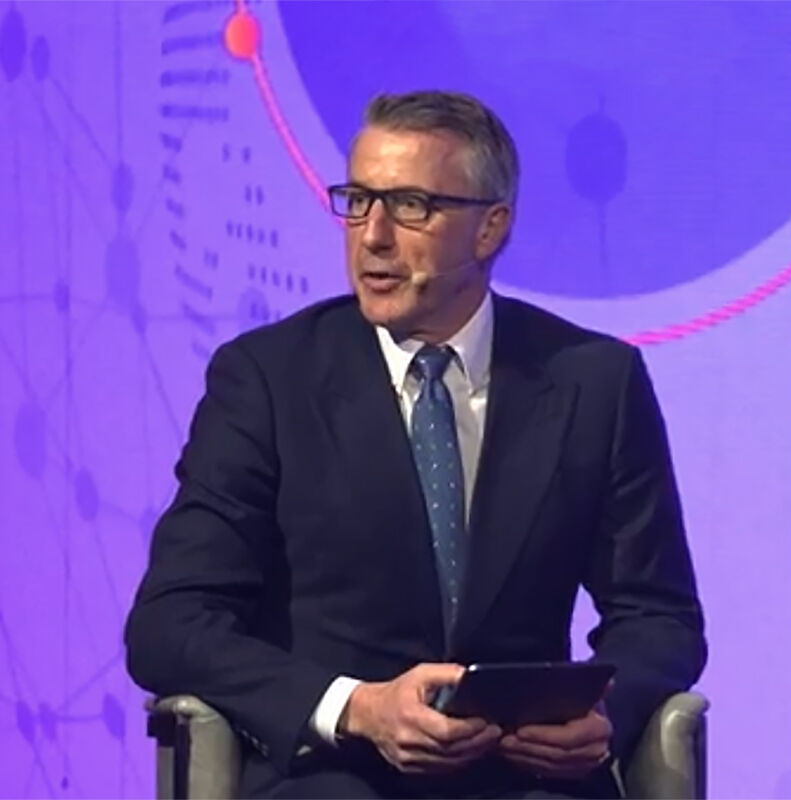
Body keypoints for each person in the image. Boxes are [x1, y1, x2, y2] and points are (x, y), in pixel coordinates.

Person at [125, 91, 706, 799]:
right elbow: (170, 624)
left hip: (525, 773)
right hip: (336, 771)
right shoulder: (267, 379)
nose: (372, 236)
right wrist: (356, 707)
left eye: (410, 207)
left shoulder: (594, 382)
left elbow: (659, 616)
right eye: (358, 201)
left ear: (489, 228)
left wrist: (602, 714)